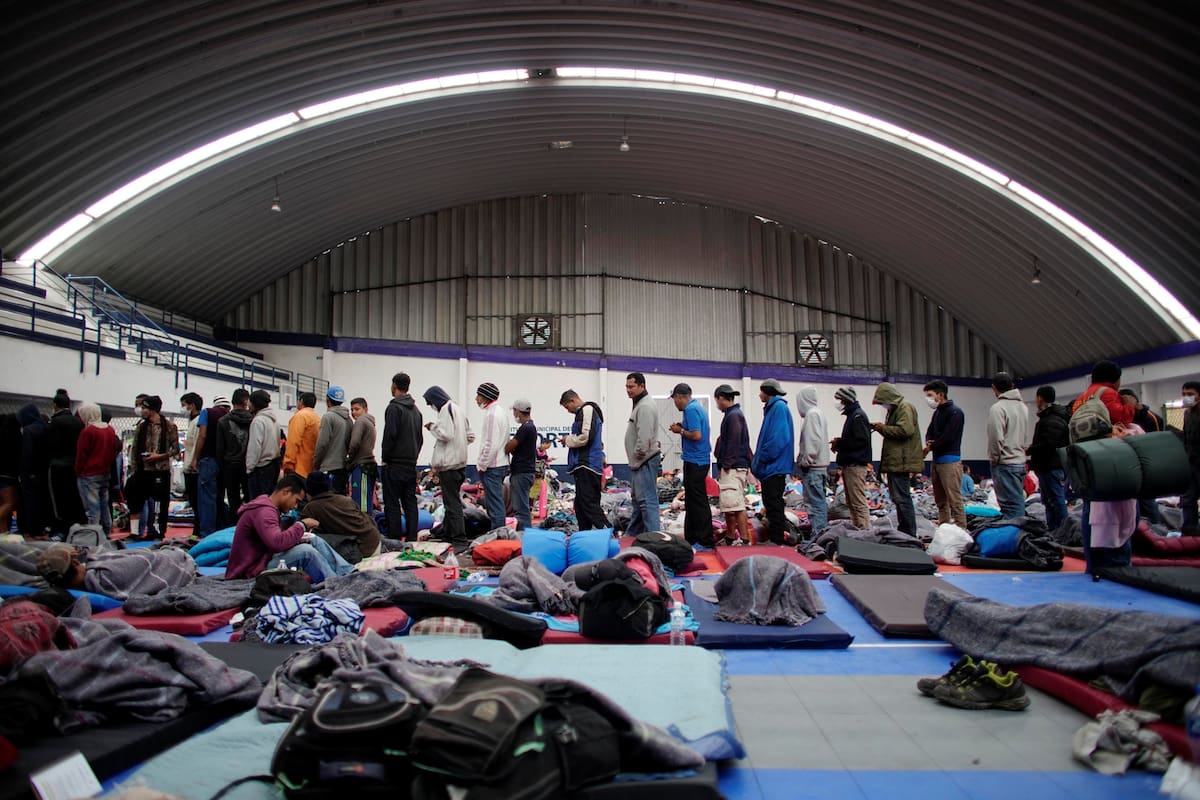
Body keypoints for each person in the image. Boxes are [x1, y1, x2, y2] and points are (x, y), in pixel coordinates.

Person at [225, 474, 354, 582]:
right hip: (251, 570)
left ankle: (346, 571)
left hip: (262, 559)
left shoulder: (267, 508)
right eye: (296, 501)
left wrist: (300, 533)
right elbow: (277, 542)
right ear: (286, 492)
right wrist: (302, 525)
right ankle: (334, 583)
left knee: (312, 539)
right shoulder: (265, 512)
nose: (295, 506)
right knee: (306, 552)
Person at [1071, 361, 1136, 571]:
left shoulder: (1083, 397)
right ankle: (1116, 564)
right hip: (1107, 459)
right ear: (1115, 379)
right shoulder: (1107, 394)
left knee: (1091, 512)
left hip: (1086, 459)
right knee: (1116, 513)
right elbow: (1120, 418)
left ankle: (1093, 562)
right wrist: (1130, 405)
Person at [869, 383, 923, 536]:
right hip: (897, 461)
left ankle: (909, 532)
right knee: (898, 498)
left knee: (902, 498)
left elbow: (905, 430)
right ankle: (905, 530)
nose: (882, 405)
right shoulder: (896, 409)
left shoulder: (904, 408)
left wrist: (883, 428)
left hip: (901, 461)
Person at [423, 385, 473, 552]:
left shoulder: (446, 410)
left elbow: (445, 434)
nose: (432, 407)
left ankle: (459, 539)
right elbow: (470, 436)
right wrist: (459, 446)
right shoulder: (458, 409)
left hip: (449, 465)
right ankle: (449, 534)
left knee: (452, 504)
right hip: (460, 463)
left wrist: (432, 427)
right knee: (451, 502)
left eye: (431, 404)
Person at [125, 395, 179, 539]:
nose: (141, 410)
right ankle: (134, 532)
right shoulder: (141, 426)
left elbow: (175, 450)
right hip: (142, 470)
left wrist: (159, 456)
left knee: (159, 503)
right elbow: (135, 448)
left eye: (144, 408)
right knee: (135, 501)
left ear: (152, 409)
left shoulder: (169, 426)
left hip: (160, 470)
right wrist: (135, 468)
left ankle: (156, 531)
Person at [669, 383, 714, 548]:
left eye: (675, 400)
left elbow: (696, 435)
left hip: (695, 460)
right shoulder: (698, 408)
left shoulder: (690, 410)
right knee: (694, 501)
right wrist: (682, 428)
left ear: (680, 397)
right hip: (698, 459)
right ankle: (693, 538)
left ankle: (704, 539)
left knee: (697, 502)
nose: (675, 404)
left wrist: (679, 431)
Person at [752, 379, 796, 546]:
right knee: (771, 502)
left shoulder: (778, 408)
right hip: (773, 465)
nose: (759, 394)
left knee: (773, 503)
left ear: (767, 392)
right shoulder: (774, 408)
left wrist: (763, 457)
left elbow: (778, 438)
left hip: (774, 466)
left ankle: (777, 538)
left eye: (761, 391)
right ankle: (776, 536)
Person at [302, 471, 381, 561]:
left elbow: (304, 534)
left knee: (312, 538)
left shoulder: (311, 508)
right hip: (375, 540)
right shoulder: (346, 500)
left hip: (360, 551)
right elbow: (369, 520)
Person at [382, 372, 423, 541]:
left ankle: (394, 539)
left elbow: (390, 435)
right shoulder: (416, 411)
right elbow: (420, 439)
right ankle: (412, 538)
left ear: (394, 387)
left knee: (392, 504)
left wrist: (385, 457)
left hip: (394, 463)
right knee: (410, 503)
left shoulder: (394, 408)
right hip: (411, 464)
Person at [922, 380, 967, 528]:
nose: (928, 398)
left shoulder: (956, 412)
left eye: (930, 395)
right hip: (937, 461)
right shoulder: (937, 413)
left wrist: (932, 445)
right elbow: (929, 432)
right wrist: (929, 441)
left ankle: (961, 530)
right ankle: (944, 527)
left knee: (955, 500)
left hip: (950, 462)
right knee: (941, 501)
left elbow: (948, 437)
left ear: (940, 395)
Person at [559, 389, 606, 530]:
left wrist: (568, 439)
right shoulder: (583, 413)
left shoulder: (588, 409)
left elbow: (585, 437)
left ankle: (607, 530)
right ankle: (584, 534)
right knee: (580, 506)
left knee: (588, 504)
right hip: (583, 466)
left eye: (567, 407)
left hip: (588, 465)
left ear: (573, 400)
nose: (568, 411)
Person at [986, 372, 1031, 520]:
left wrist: (995, 458)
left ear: (994, 388)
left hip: (1005, 464)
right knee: (1018, 502)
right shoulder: (1023, 407)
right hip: (1020, 462)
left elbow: (995, 438)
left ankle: (1016, 538)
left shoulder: (998, 408)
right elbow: (1024, 436)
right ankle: (1020, 536)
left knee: (1010, 508)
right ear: (1012, 386)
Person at [712, 384, 753, 545]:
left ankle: (744, 539)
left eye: (717, 400)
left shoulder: (734, 416)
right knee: (729, 505)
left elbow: (734, 442)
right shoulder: (732, 414)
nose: (717, 404)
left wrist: (727, 464)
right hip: (732, 466)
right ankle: (730, 537)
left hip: (733, 467)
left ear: (722, 398)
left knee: (736, 505)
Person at [623, 372, 662, 537]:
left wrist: (637, 457)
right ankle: (631, 535)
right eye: (626, 386)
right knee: (639, 502)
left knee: (647, 502)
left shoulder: (644, 406)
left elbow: (644, 438)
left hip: (644, 460)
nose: (628, 390)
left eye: (631, 386)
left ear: (642, 386)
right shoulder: (640, 404)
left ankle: (655, 539)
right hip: (641, 461)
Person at [1028, 385, 1071, 531]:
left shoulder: (1052, 419)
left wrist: (1030, 449)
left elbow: (1048, 443)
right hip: (1048, 466)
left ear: (1040, 398)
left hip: (1050, 466)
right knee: (1049, 500)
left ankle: (1063, 530)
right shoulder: (1052, 417)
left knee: (1056, 499)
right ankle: (1054, 530)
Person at [74, 403, 121, 535]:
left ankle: (92, 534)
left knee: (91, 507)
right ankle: (106, 531)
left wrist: (78, 471)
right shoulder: (110, 430)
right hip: (104, 472)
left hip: (88, 474)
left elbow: (82, 454)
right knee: (104, 504)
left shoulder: (87, 431)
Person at [190, 394, 231, 537]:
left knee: (207, 498)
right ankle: (223, 528)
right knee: (221, 497)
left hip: (209, 459)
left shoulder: (207, 412)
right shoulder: (231, 416)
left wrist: (195, 458)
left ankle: (207, 533)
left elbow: (202, 435)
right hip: (227, 463)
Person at [831, 387, 872, 529]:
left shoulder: (857, 416)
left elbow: (861, 441)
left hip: (856, 465)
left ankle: (865, 531)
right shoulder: (853, 416)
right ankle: (858, 528)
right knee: (852, 502)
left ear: (844, 400)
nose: (836, 403)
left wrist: (840, 443)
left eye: (838, 399)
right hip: (851, 465)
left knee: (858, 502)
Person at [47, 388, 85, 534]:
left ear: (55, 405)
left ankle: (59, 527)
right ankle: (73, 524)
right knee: (73, 495)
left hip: (58, 465)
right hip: (74, 464)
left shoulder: (55, 422)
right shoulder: (78, 422)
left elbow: (52, 445)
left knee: (58, 499)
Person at [795, 385, 830, 537]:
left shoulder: (812, 415)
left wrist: (805, 461)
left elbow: (813, 442)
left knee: (815, 505)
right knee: (818, 503)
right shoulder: (819, 414)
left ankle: (818, 536)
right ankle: (820, 535)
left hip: (813, 468)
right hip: (818, 467)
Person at [474, 381, 509, 531]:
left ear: (485, 397)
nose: (476, 399)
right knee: (497, 502)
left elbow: (490, 444)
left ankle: (497, 535)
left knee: (495, 504)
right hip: (500, 464)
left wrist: (481, 465)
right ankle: (498, 533)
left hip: (492, 466)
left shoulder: (491, 415)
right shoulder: (500, 412)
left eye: (478, 395)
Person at [218, 389, 253, 522]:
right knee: (250, 499)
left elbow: (220, 448)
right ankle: (249, 526)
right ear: (246, 402)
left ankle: (233, 528)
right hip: (248, 464)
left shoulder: (223, 421)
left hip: (230, 465)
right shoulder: (254, 420)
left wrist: (222, 466)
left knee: (233, 499)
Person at [17, 402, 50, 537]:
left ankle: (31, 530)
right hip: (45, 472)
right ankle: (41, 527)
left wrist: (24, 473)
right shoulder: (47, 428)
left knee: (30, 502)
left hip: (30, 474)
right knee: (42, 501)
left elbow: (27, 454)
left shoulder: (29, 430)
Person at [505, 398, 537, 530]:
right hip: (526, 472)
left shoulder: (526, 428)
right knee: (522, 506)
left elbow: (509, 447)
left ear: (517, 411)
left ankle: (524, 535)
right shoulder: (531, 427)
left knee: (520, 508)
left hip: (522, 473)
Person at [313, 386, 352, 494]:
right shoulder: (348, 419)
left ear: (327, 400)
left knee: (326, 500)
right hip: (343, 467)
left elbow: (322, 443)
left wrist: (316, 463)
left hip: (329, 467)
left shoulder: (328, 417)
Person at [245, 390, 281, 499]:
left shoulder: (258, 421)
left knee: (258, 502)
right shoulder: (274, 420)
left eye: (250, 402)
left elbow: (255, 447)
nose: (248, 405)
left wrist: (249, 468)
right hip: (274, 465)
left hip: (261, 468)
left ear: (255, 403)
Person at [347, 397, 378, 515]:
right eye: (352, 410)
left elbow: (354, 442)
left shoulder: (360, 422)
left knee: (360, 502)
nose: (354, 412)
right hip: (369, 465)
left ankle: (363, 528)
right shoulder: (371, 423)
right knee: (367, 500)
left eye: (357, 409)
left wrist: (349, 457)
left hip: (362, 465)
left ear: (365, 409)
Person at [179, 392, 203, 535]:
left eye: (184, 405)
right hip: (190, 465)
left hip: (193, 467)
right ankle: (197, 528)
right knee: (193, 500)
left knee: (196, 500)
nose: (182, 408)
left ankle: (198, 529)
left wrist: (193, 462)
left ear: (192, 405)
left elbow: (196, 445)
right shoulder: (193, 421)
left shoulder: (199, 421)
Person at [282, 392, 320, 478]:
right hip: (311, 468)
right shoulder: (317, 419)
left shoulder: (300, 416)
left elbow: (293, 441)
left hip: (298, 467)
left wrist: (288, 462)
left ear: (301, 401)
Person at [1182, 380, 1200, 535]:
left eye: (1190, 394)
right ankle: (1189, 533)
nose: (1186, 397)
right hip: (1191, 463)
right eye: (1184, 394)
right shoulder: (1187, 414)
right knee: (1187, 499)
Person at [0, 413, 20, 532]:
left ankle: (2, 532)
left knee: (2, 503)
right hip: (8, 475)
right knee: (10, 503)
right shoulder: (13, 437)